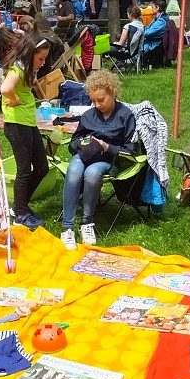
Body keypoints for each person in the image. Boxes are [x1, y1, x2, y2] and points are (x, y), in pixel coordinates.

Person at [60, 70, 136, 250]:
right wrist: (83, 143)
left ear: (113, 92)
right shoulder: (88, 115)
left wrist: (107, 147)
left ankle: (87, 223)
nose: (97, 104)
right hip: (86, 154)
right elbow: (72, 144)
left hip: (108, 159)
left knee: (93, 173)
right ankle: (67, 227)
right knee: (74, 170)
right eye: (93, 101)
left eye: (101, 100)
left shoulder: (126, 116)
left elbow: (130, 151)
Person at [0, 34, 52, 230]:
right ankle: (20, 213)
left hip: (28, 122)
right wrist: (12, 99)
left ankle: (19, 206)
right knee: (24, 171)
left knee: (41, 168)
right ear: (30, 54)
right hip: (16, 124)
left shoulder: (26, 68)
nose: (43, 62)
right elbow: (5, 88)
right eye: (40, 58)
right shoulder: (17, 69)